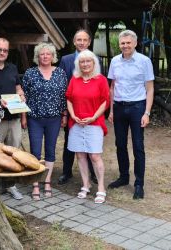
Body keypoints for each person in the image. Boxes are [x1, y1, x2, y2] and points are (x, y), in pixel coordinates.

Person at [107, 30, 154, 199]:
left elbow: (150, 88)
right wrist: (111, 110)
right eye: (122, 43)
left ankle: (139, 183)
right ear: (119, 45)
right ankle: (124, 177)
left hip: (137, 108)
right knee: (120, 144)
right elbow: (112, 87)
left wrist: (146, 112)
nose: (125, 46)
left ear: (135, 43)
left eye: (128, 43)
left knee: (138, 146)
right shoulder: (114, 61)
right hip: (119, 107)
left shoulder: (144, 61)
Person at [21, 42, 67, 200]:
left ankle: (47, 182)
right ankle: (35, 183)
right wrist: (23, 116)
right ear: (37, 56)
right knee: (35, 151)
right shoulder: (30, 73)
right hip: (35, 118)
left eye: (48, 54)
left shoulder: (60, 73)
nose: (45, 56)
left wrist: (65, 115)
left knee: (50, 150)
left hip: (54, 118)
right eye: (42, 54)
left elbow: (63, 97)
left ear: (53, 56)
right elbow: (24, 97)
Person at [66, 50, 109, 204]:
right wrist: (72, 115)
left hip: (94, 123)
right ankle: (86, 184)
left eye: (88, 61)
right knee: (80, 155)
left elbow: (105, 101)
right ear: (78, 64)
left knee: (95, 156)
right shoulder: (74, 79)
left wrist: (94, 117)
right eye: (82, 62)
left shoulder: (101, 80)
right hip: (76, 123)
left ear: (94, 63)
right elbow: (69, 99)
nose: (85, 64)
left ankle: (101, 188)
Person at [58, 29, 99, 185]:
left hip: (91, 108)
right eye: (78, 40)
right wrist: (65, 112)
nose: (82, 43)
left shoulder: (95, 60)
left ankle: (93, 173)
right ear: (74, 42)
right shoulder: (66, 60)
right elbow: (62, 86)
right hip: (71, 108)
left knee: (91, 141)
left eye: (85, 40)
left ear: (89, 42)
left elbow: (100, 84)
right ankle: (66, 172)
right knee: (70, 139)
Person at [0, 37, 25, 200]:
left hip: (14, 117)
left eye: (5, 50)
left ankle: (11, 185)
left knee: (13, 153)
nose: (2, 53)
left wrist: (21, 94)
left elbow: (17, 87)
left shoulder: (12, 68)